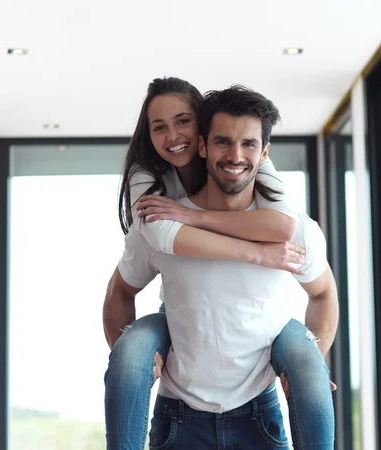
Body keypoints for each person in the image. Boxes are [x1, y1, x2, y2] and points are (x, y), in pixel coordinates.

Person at [103, 78, 337, 449]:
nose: (235, 156)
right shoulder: (160, 219)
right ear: (202, 146)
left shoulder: (295, 229)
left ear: (264, 154)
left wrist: (308, 363)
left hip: (259, 416)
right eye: (222, 141)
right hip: (177, 419)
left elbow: (323, 292)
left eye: (248, 144)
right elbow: (120, 289)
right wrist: (136, 366)